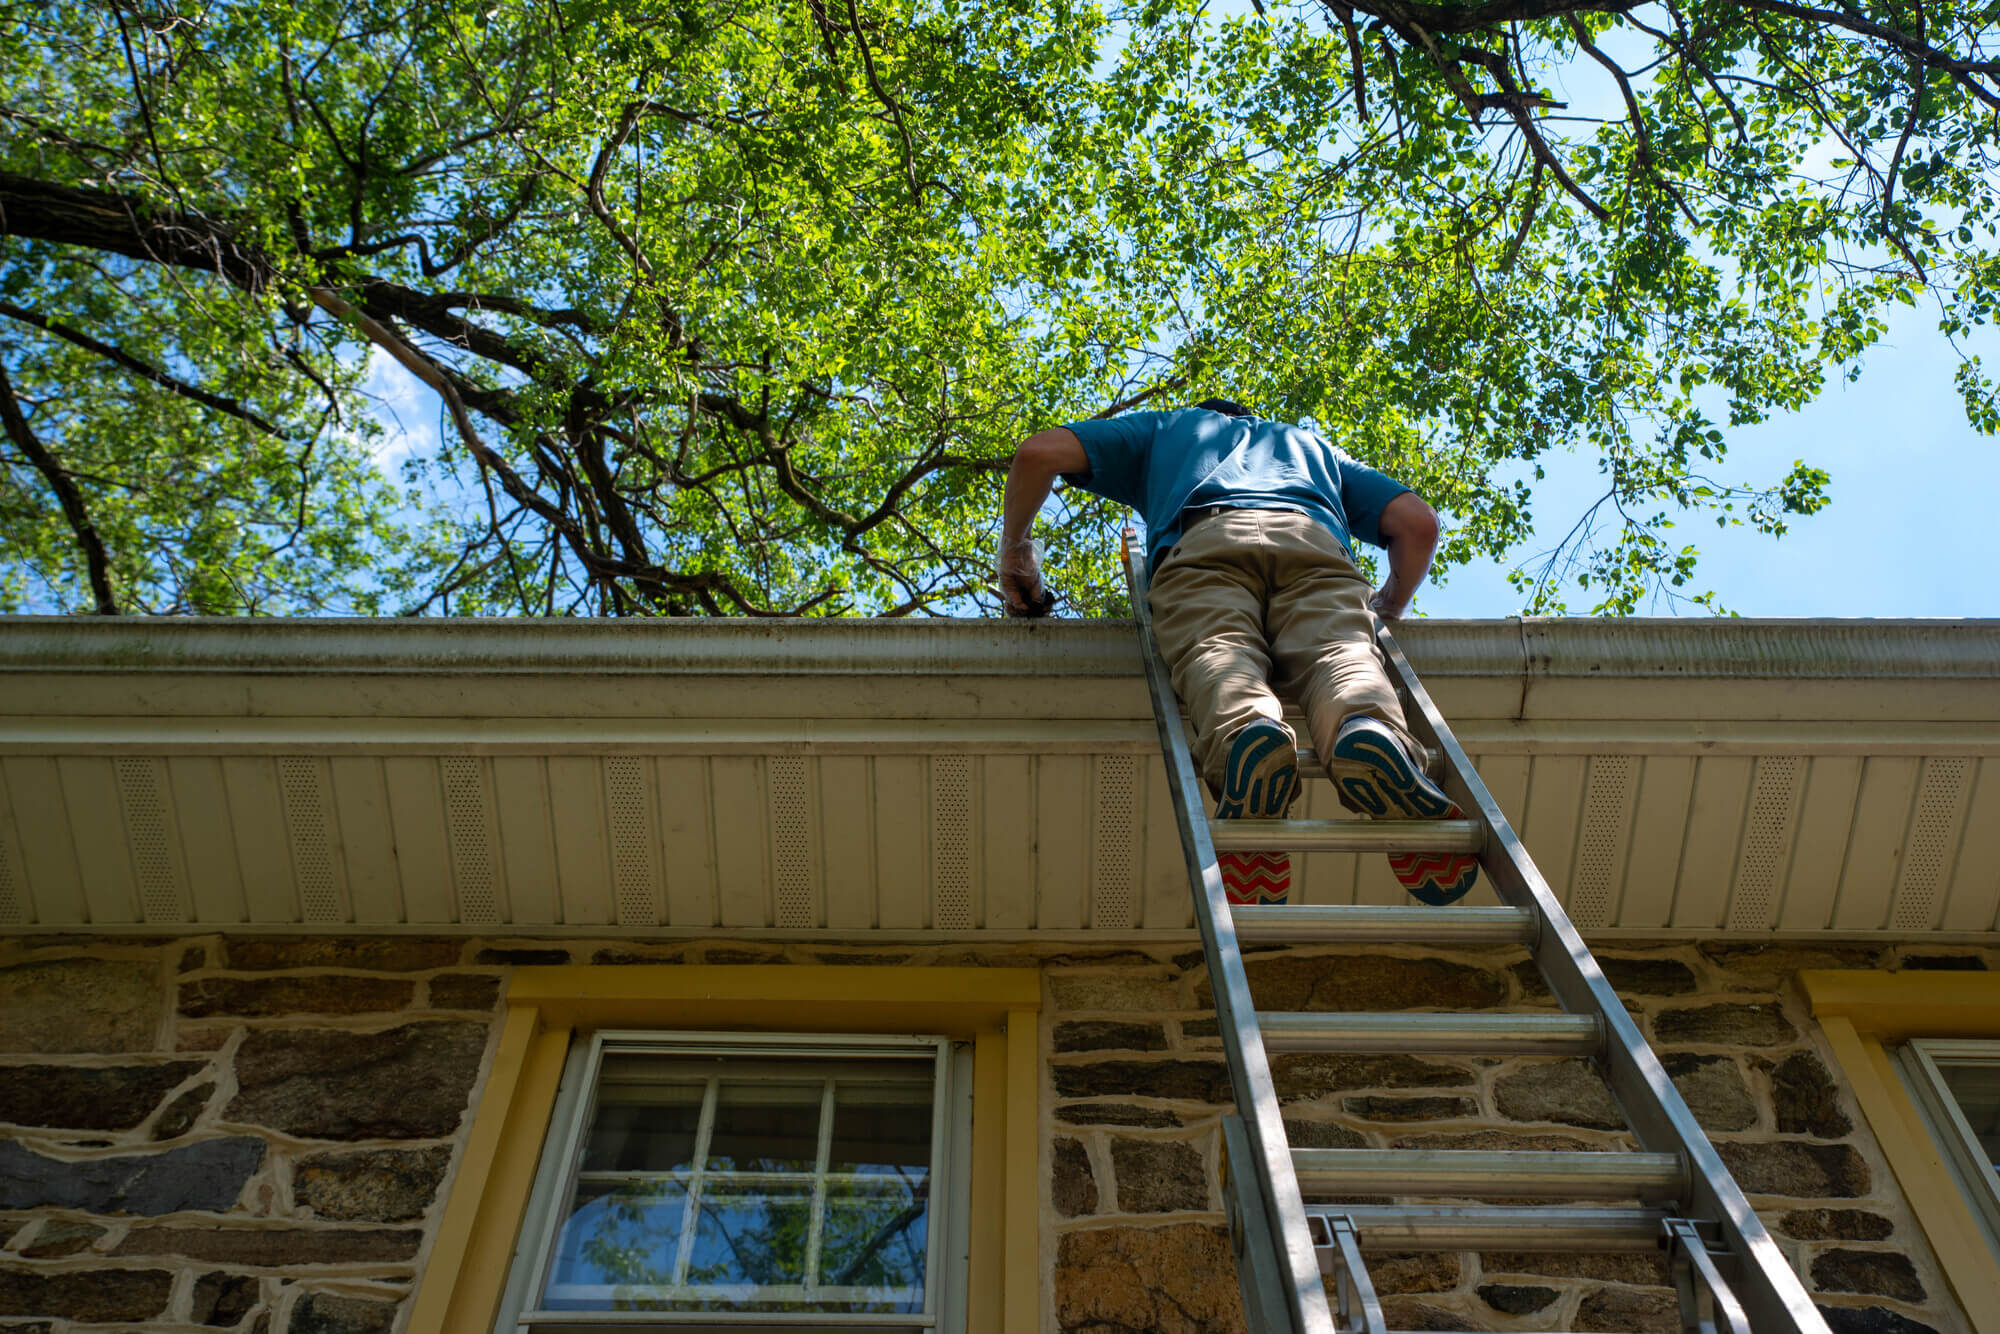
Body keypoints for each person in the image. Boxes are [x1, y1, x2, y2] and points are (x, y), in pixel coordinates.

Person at [997, 398, 1477, 905]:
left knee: (1219, 650)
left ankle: (1249, 733)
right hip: (1313, 543)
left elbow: (1037, 453)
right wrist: (1389, 604)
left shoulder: (1168, 429)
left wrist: (1016, 551)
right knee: (1343, 656)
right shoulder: (1312, 448)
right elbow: (1418, 523)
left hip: (1204, 544)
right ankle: (1370, 731)